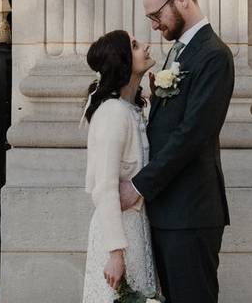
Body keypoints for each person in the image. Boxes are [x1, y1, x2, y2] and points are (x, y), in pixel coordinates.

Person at [118, 0, 234, 303]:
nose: (154, 24)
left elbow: (194, 134)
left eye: (156, 14)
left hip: (191, 210)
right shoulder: (179, 51)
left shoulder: (213, 54)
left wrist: (139, 185)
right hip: (169, 209)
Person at [81, 30, 160, 302]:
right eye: (136, 46)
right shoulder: (113, 113)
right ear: (123, 60)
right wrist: (115, 253)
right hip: (117, 235)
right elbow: (104, 187)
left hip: (136, 227)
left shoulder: (130, 109)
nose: (146, 46)